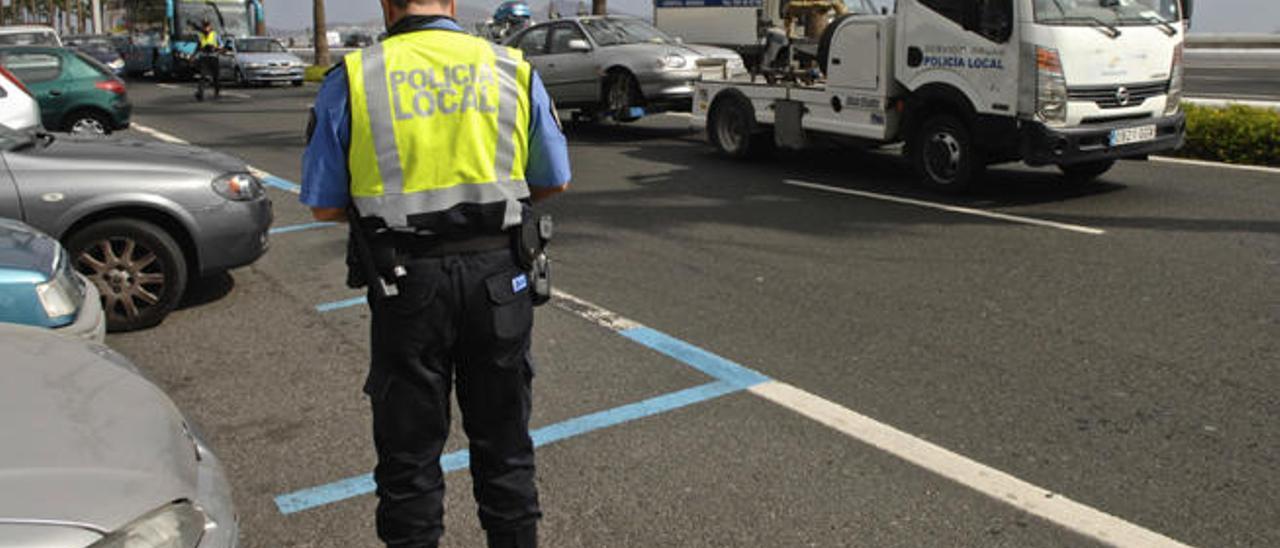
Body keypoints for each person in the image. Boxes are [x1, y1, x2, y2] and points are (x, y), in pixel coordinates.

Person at [299, 0, 571, 546]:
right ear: (449, 3)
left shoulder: (354, 77)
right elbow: (553, 178)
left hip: (406, 283)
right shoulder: (510, 68)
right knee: (505, 446)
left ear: (386, 5)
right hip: (499, 279)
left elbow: (325, 206)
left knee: (409, 457)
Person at [195, 20, 222, 101]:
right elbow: (198, 46)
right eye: (204, 26)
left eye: (207, 26)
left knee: (215, 76)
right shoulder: (200, 35)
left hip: (213, 57)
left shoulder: (215, 34)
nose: (206, 28)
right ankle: (200, 93)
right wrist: (193, 56)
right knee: (203, 76)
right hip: (204, 58)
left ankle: (217, 92)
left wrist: (215, 48)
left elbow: (221, 45)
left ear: (210, 26)